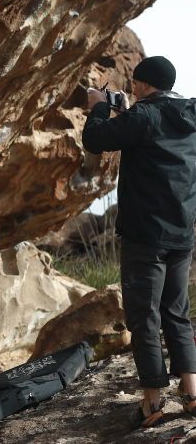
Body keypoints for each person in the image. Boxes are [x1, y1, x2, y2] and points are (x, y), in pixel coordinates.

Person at [82, 56, 196, 428]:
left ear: (144, 84)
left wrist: (98, 108)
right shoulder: (190, 114)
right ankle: (191, 393)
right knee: (175, 313)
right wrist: (130, 112)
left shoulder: (144, 116)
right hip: (182, 233)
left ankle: (152, 402)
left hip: (146, 236)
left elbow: (96, 140)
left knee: (144, 316)